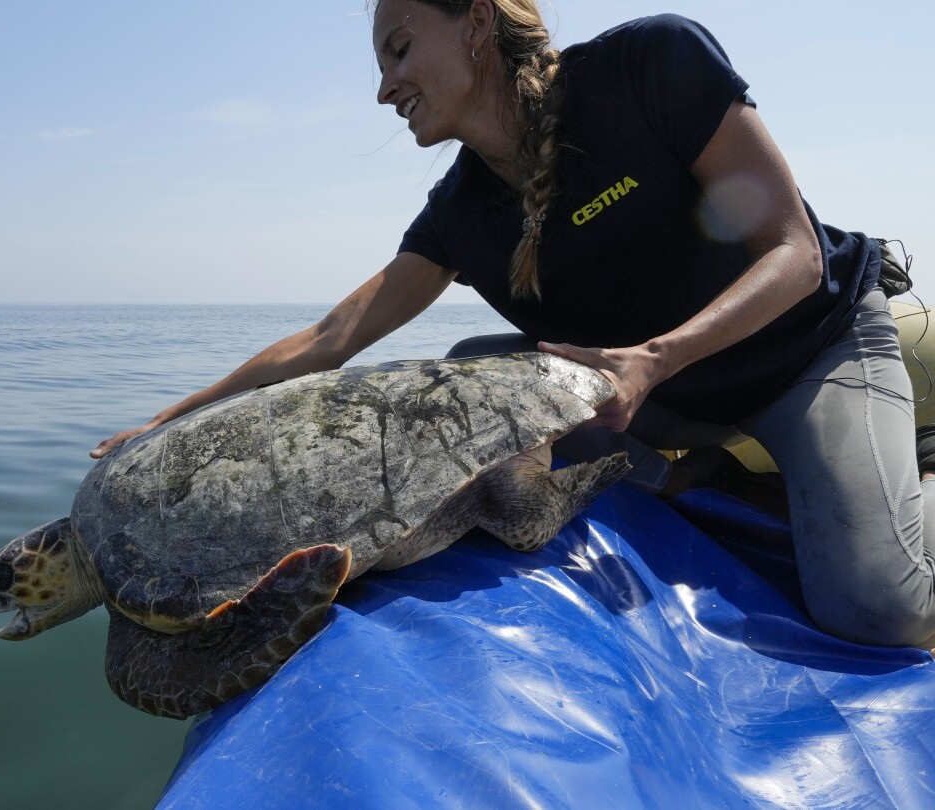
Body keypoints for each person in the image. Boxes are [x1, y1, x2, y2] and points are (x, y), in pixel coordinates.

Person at [90, 0, 933, 648]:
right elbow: (328, 342)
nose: (384, 86)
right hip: (669, 399)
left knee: (879, 610)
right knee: (467, 376)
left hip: (810, 355)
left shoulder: (650, 65)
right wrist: (173, 420)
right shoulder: (460, 213)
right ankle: (701, 479)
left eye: (399, 48)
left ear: (477, 26)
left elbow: (794, 253)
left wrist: (654, 359)